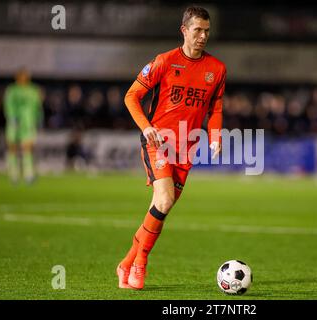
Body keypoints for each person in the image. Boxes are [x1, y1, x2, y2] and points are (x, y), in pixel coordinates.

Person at [117, 6, 226, 290]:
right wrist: (146, 127)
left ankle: (125, 264)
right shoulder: (164, 61)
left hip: (186, 148)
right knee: (164, 201)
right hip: (159, 141)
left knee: (160, 208)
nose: (203, 36)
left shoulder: (217, 69)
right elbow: (132, 96)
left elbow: (215, 107)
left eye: (207, 31)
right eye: (197, 30)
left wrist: (215, 136)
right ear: (184, 31)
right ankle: (140, 264)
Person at [3, 68, 43, 184]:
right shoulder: (12, 90)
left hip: (28, 123)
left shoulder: (33, 90)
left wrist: (39, 118)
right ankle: (13, 174)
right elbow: (8, 104)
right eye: (21, 75)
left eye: (25, 75)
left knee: (28, 148)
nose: (23, 78)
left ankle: (28, 174)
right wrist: (11, 117)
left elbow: (37, 106)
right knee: (12, 147)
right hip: (14, 123)